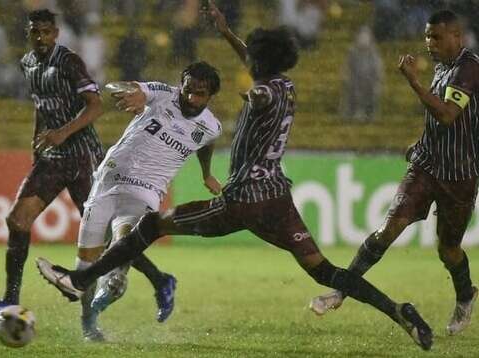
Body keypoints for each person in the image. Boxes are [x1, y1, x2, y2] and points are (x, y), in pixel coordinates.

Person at [36, 1, 433, 351]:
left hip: (242, 199)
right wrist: (226, 32)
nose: (250, 65)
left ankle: (79, 279)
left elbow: (261, 92)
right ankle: (398, 311)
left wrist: (252, 96)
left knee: (152, 224)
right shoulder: (287, 83)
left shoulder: (267, 91)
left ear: (260, 64)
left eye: (253, 61)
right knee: (322, 269)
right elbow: (258, 66)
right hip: (278, 199)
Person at [0, 10, 176, 342]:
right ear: (29, 34)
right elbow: (43, 106)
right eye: (34, 32)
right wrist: (38, 140)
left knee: (101, 240)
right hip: (53, 157)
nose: (40, 37)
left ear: (55, 33)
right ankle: (10, 298)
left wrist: (62, 132)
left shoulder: (69, 61)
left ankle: (159, 280)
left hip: (83, 157)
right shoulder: (28, 63)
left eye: (45, 31)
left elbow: (95, 105)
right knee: (17, 221)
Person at [310, 9, 479, 336]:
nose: (430, 42)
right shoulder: (444, 66)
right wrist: (420, 144)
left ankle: (465, 295)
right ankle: (341, 289)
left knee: (449, 249)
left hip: (460, 175)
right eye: (427, 36)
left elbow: (447, 115)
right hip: (427, 166)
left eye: (437, 37)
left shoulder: (469, 68)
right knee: (388, 230)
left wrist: (413, 81)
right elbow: (440, 124)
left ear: (457, 37)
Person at [76, 61, 222, 341]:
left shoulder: (211, 127)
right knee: (86, 266)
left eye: (199, 94)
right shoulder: (163, 93)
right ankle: (88, 326)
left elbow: (206, 143)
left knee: (122, 246)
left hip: (146, 189)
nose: (190, 98)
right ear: (181, 85)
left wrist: (207, 173)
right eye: (187, 90)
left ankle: (145, 282)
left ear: (210, 95)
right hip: (108, 179)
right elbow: (132, 89)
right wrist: (133, 93)